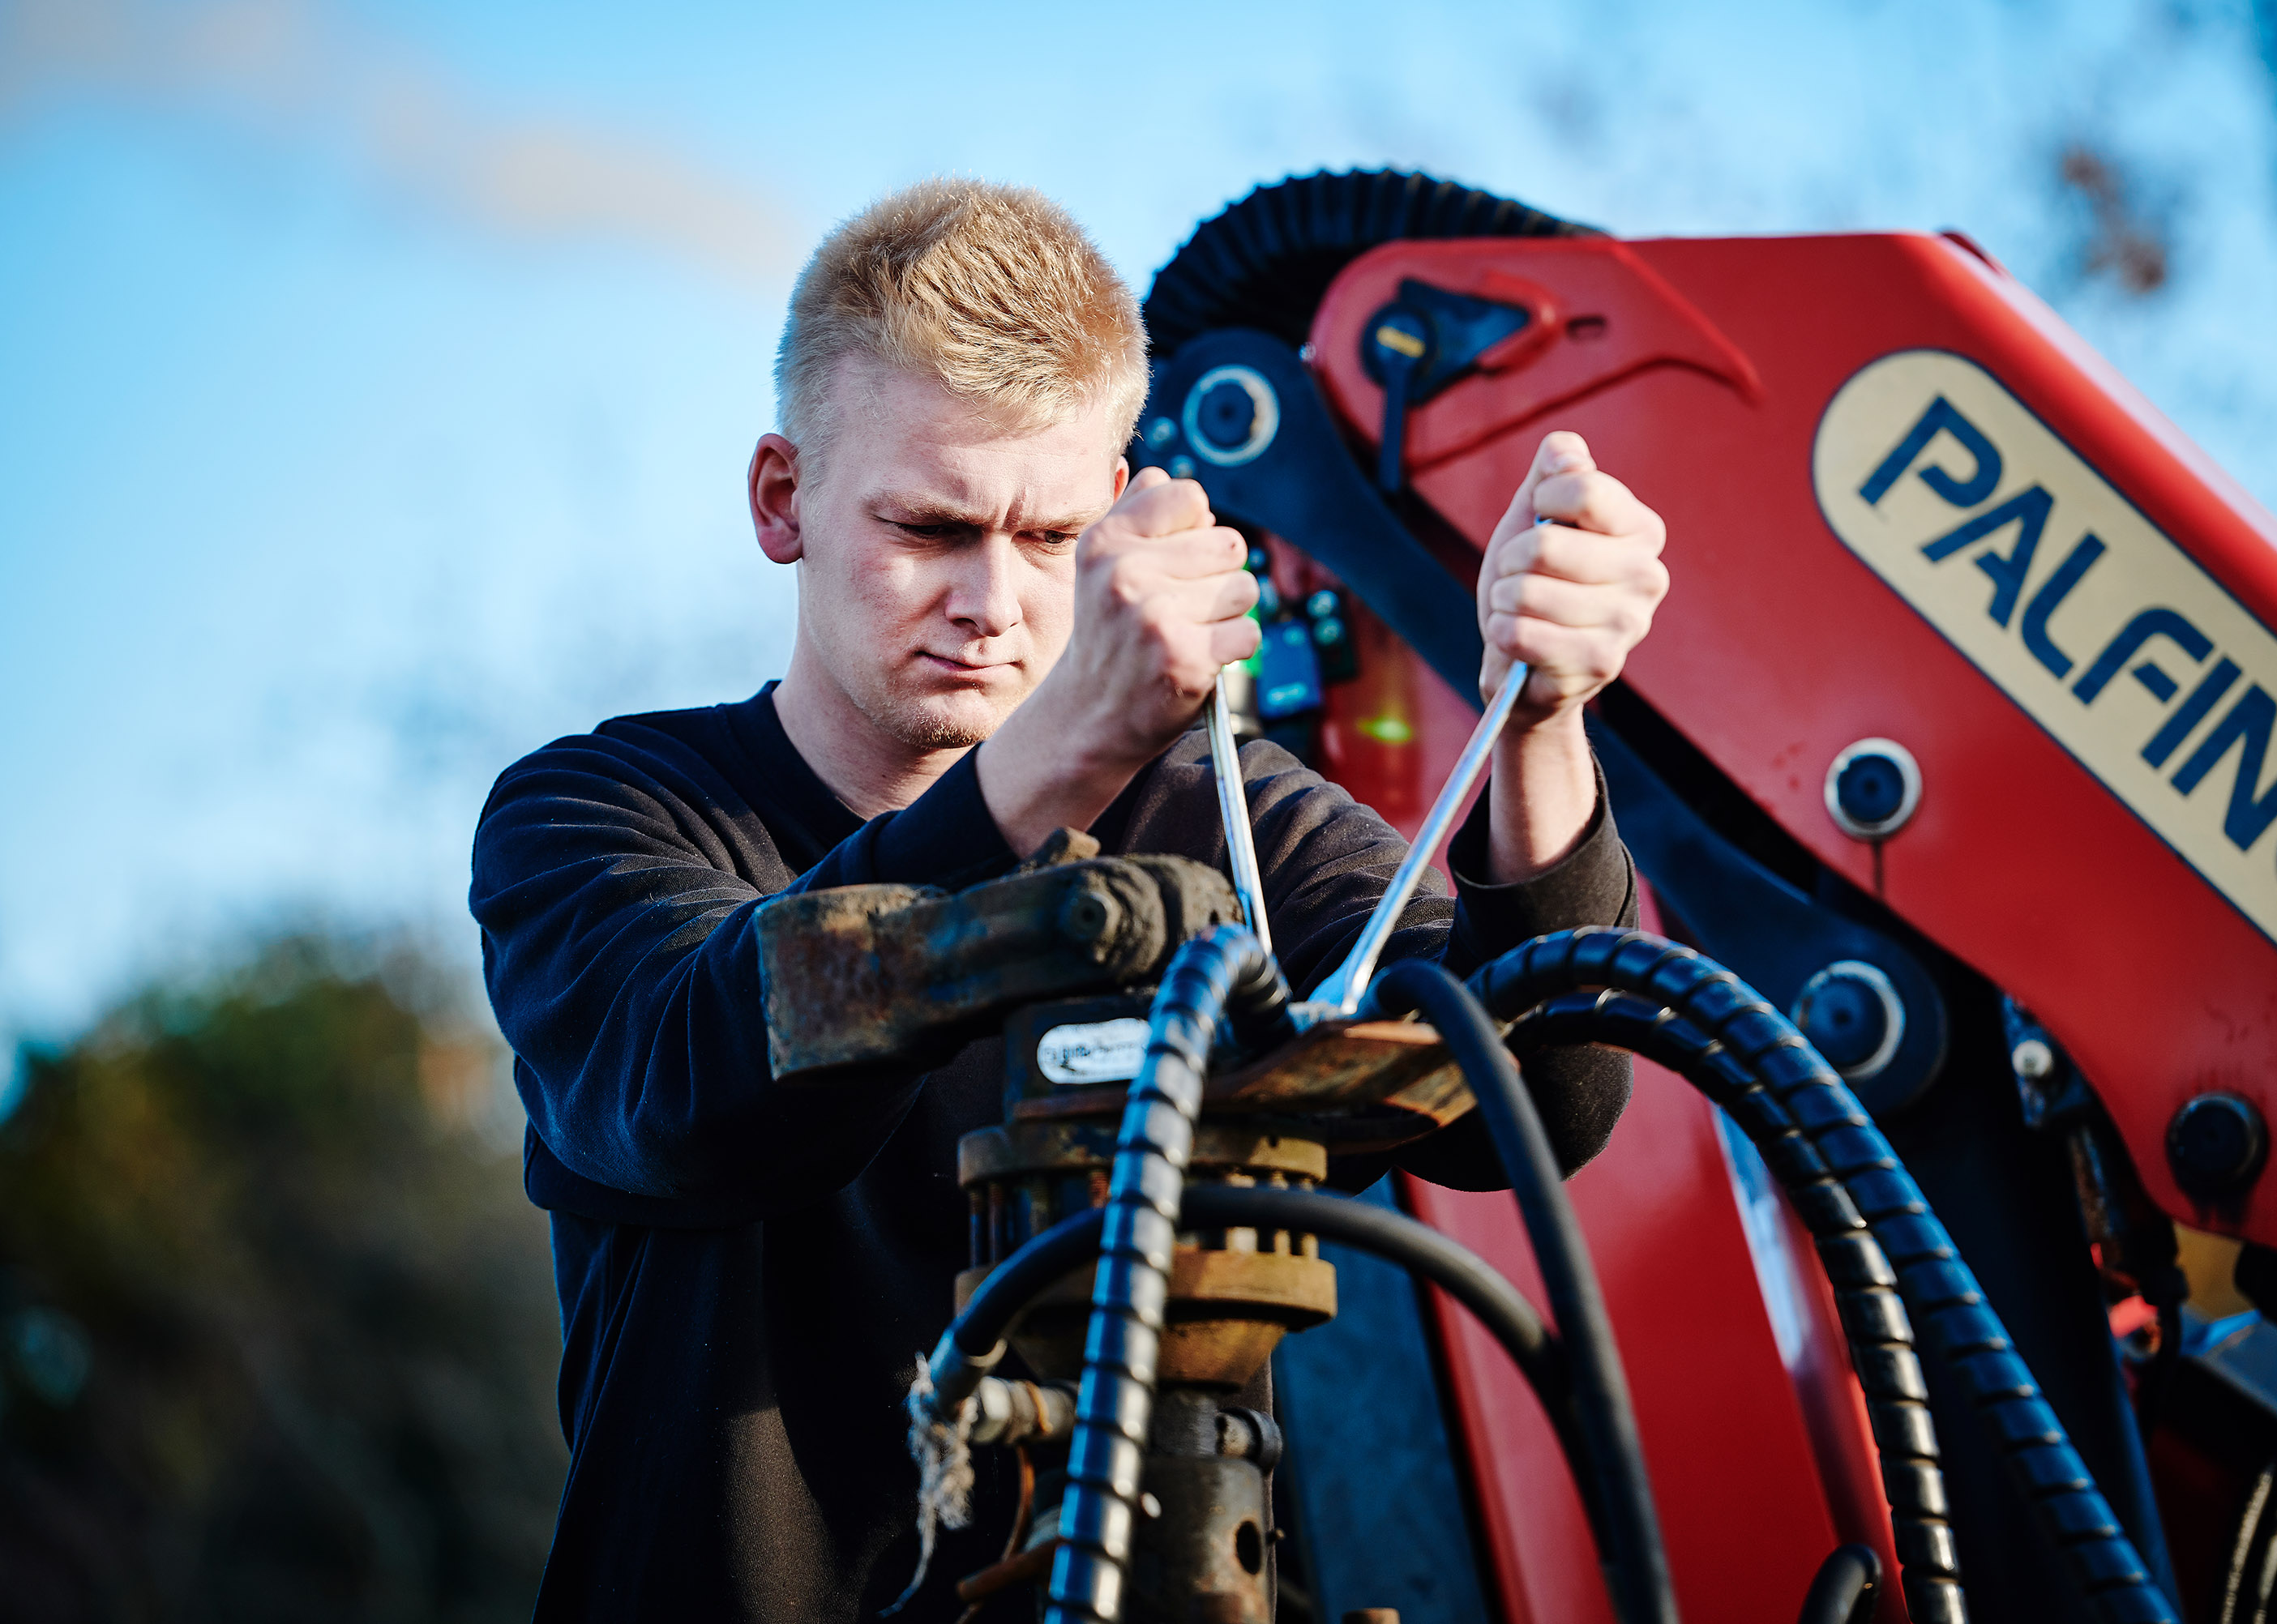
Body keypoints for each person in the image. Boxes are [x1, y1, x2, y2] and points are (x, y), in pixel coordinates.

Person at [471, 177, 1671, 1622]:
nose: (992, 600)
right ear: (781, 498)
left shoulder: (1215, 811)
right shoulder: (598, 816)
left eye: (1046, 542)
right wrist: (1052, 768)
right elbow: (699, 1086)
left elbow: (1534, 1100)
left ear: (1114, 517)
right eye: (929, 527)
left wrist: (1540, 724)